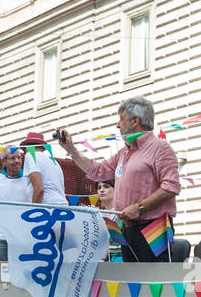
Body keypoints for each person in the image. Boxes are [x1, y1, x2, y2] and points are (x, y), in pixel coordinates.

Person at [57, 97, 182, 262]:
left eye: (121, 119)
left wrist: (140, 208)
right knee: (131, 284)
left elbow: (170, 187)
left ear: (135, 121)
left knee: (153, 283)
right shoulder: (124, 152)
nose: (118, 125)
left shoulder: (160, 148)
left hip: (153, 228)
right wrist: (71, 150)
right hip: (127, 228)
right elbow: (98, 171)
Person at [18, 132, 69, 206]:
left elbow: (39, 189)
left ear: (27, 147)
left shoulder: (31, 155)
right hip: (63, 206)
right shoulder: (54, 162)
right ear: (43, 148)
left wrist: (34, 210)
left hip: (47, 208)